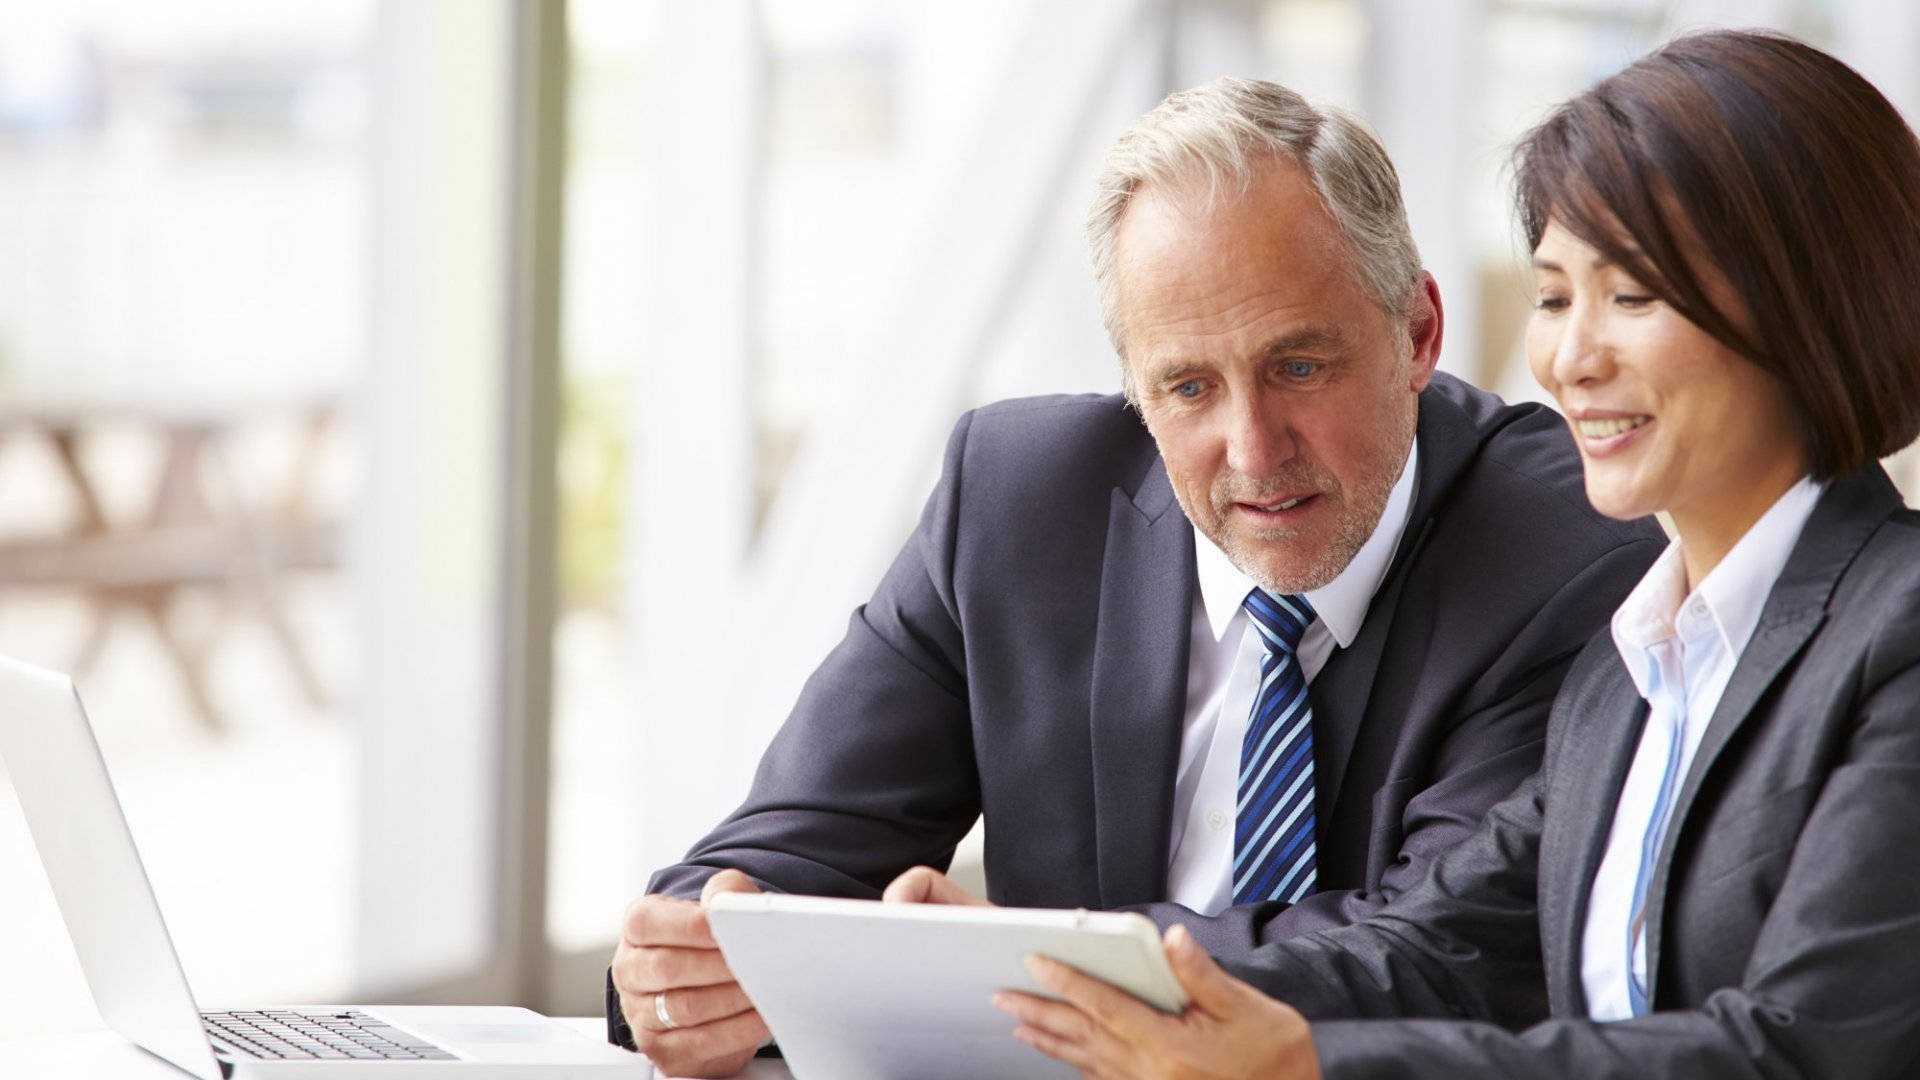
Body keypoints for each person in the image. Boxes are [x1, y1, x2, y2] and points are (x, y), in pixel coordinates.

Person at [609, 78, 1663, 1077]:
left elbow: (1440, 954)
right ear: (1134, 390)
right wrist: (684, 967)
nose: (1253, 449)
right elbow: (781, 861)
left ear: (1418, 332)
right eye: (1189, 387)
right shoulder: (1019, 502)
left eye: (1299, 367)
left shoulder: (1569, 544)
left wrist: (1035, 973)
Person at [995, 28, 1920, 1079]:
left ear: (1811, 303)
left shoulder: (1898, 631)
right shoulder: (1634, 672)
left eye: (1633, 297)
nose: (1572, 357)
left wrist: (1313, 1069)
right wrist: (1031, 972)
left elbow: (1799, 1053)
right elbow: (1429, 950)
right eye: (1555, 296)